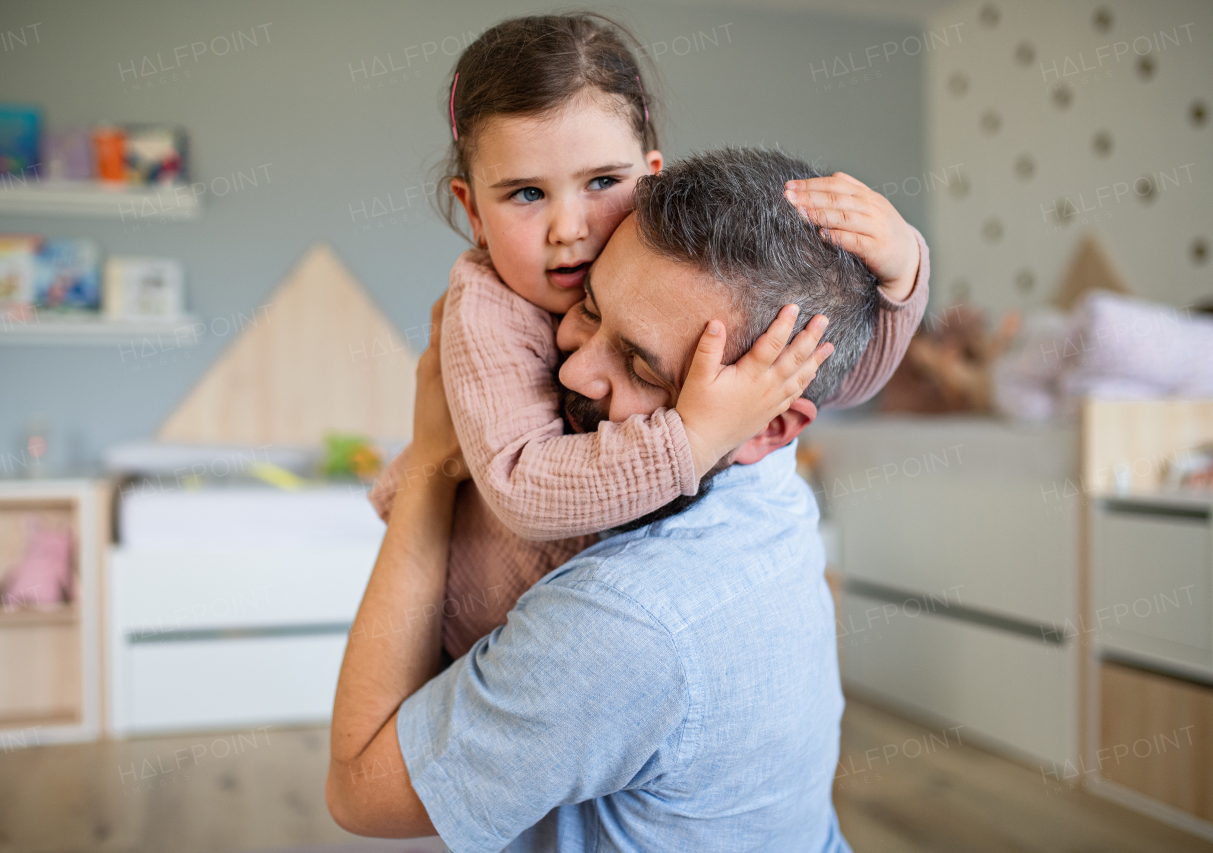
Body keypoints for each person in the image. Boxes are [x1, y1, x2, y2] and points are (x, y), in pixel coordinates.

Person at [327, 146, 893, 852]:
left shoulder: (620, 623)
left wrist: (429, 467)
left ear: (769, 424)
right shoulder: (763, 478)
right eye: (588, 306)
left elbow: (358, 789)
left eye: (636, 363)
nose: (571, 363)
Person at [367, 13, 930, 659]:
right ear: (472, 210)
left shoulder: (659, 259)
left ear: (649, 174)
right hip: (468, 621)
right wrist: (692, 438)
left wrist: (903, 272)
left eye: (602, 182)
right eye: (526, 194)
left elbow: (835, 378)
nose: (568, 227)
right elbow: (522, 485)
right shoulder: (485, 308)